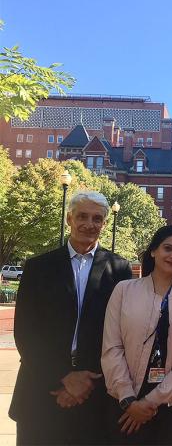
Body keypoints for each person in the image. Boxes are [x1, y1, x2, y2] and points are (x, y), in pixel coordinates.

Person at [9, 191, 132, 445]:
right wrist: (63, 377)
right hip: (42, 388)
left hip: (94, 394)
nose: (89, 224)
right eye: (82, 216)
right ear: (69, 219)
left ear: (105, 224)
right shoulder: (38, 267)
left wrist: (85, 381)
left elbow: (121, 333)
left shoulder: (120, 269)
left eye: (97, 218)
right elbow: (26, 332)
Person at [101, 224, 172, 445]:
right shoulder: (124, 290)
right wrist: (129, 400)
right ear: (153, 251)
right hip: (125, 400)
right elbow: (112, 346)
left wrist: (151, 400)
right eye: (167, 248)